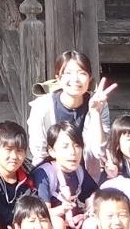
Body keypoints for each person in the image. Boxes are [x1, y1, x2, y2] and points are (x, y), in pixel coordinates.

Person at [26, 50, 115, 178]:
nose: (75, 79)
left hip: (88, 178)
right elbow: (39, 152)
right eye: (68, 73)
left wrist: (95, 112)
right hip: (50, 177)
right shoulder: (42, 107)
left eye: (82, 73)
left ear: (90, 78)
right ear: (58, 78)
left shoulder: (99, 103)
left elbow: (99, 150)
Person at [33, 121, 99, 229]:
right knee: (57, 222)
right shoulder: (44, 174)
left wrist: (88, 211)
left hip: (73, 224)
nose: (73, 152)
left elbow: (94, 194)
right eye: (65, 146)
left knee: (94, 221)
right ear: (52, 151)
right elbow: (42, 213)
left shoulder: (79, 171)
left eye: (77, 145)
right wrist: (63, 209)